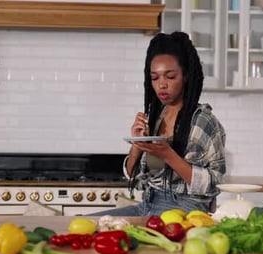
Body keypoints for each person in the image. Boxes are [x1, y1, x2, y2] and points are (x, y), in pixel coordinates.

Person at [91, 31, 226, 217]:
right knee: (84, 224)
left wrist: (169, 155)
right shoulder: (155, 117)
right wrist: (137, 146)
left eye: (170, 77)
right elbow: (132, 176)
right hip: (148, 204)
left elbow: (213, 183)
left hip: (186, 209)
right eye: (155, 78)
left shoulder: (203, 120)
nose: (161, 85)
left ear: (185, 76)